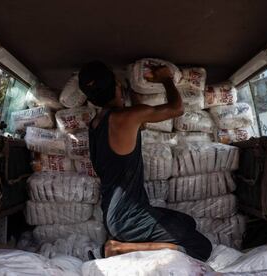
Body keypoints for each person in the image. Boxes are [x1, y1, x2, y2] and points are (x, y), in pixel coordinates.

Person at [78, 61, 212, 261]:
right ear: (117, 85)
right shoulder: (125, 117)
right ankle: (118, 249)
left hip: (117, 214)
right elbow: (177, 109)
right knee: (202, 247)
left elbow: (138, 123)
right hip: (130, 218)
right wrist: (166, 78)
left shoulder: (97, 123)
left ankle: (125, 241)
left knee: (187, 222)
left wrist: (131, 92)